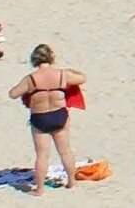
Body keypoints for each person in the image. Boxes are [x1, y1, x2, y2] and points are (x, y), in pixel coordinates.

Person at [8, 44, 86, 197]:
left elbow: (13, 94)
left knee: (42, 155)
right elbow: (83, 78)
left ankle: (40, 188)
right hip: (59, 115)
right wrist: (71, 71)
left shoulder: (31, 79)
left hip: (40, 118)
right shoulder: (63, 75)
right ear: (51, 57)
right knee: (65, 151)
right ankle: (71, 181)